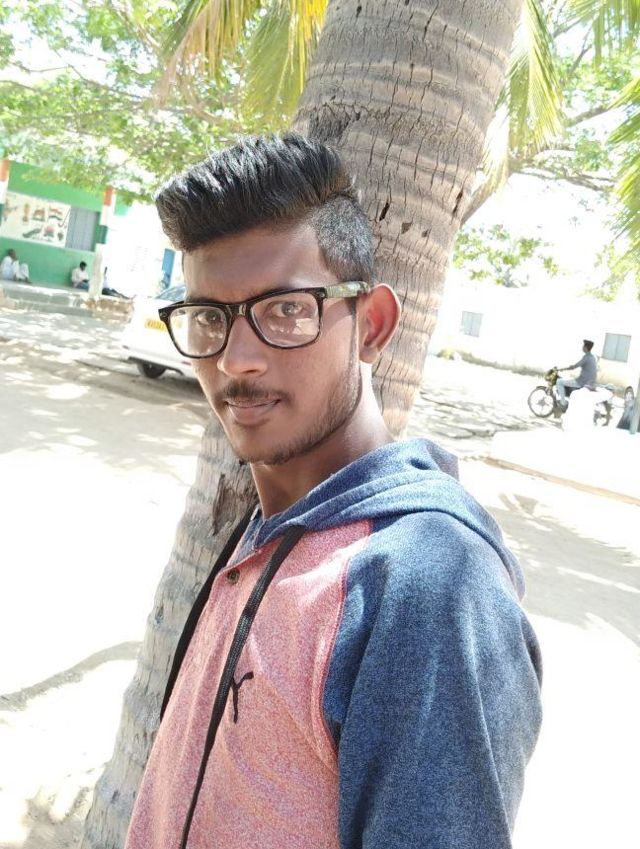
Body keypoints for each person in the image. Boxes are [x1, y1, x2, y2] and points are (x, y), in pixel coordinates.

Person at [124, 134, 542, 849]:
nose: (236, 358)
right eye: (209, 317)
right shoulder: (267, 531)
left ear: (371, 325)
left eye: (286, 310)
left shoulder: (421, 583)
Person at [556, 339, 598, 407]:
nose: (582, 347)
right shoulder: (593, 357)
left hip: (582, 382)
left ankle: (563, 403)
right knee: (569, 380)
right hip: (591, 382)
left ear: (586, 348)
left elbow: (574, 366)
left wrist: (562, 369)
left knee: (559, 381)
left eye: (583, 346)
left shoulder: (586, 357)